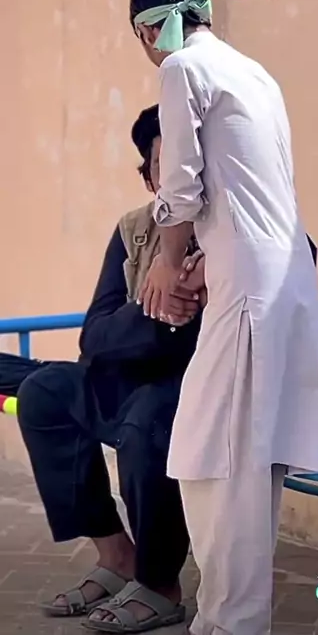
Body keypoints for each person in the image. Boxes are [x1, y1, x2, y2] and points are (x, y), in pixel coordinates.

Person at [131, 0, 318, 635]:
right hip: (279, 283)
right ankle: (226, 620)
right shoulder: (255, 73)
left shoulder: (182, 67)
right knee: (234, 457)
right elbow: (245, 192)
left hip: (251, 292)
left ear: (148, 31)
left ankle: (231, 624)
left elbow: (182, 186)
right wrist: (199, 263)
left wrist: (166, 265)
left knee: (221, 461)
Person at [17, 105, 206, 633]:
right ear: (149, 179)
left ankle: (160, 584)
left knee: (146, 420)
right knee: (45, 392)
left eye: (190, 167)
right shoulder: (134, 230)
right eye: (164, 168)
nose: (179, 180)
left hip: (203, 389)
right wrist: (159, 307)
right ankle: (117, 555)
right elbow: (94, 335)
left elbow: (296, 260)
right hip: (132, 375)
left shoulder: (242, 222)